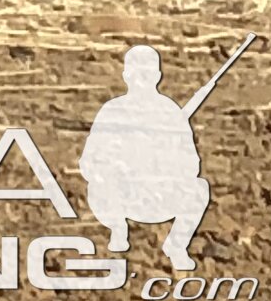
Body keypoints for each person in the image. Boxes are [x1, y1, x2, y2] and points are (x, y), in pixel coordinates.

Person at [81, 43, 216, 272]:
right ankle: (118, 228)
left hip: (160, 197)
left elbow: (191, 164)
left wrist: (164, 164)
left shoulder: (171, 113)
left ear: (157, 76)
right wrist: (113, 167)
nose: (141, 78)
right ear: (126, 75)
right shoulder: (112, 111)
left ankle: (177, 245)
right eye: (136, 72)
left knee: (199, 188)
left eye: (147, 72)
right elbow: (87, 163)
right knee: (100, 184)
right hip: (122, 196)